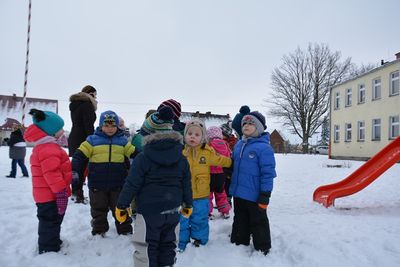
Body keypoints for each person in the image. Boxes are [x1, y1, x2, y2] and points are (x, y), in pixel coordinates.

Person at [115, 106, 193, 267]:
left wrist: (122, 205)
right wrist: (188, 203)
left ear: (149, 134)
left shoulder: (143, 158)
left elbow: (132, 183)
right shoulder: (181, 157)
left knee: (146, 246)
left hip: (148, 212)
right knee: (168, 244)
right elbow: (186, 181)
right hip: (173, 210)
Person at [71, 110, 135, 236]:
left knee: (121, 207)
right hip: (97, 184)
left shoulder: (122, 141)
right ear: (101, 126)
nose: (110, 129)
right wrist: (76, 165)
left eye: (113, 126)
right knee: (98, 209)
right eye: (106, 125)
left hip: (118, 183)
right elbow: (79, 156)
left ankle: (125, 229)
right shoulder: (92, 140)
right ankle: (99, 230)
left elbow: (134, 153)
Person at [178, 118, 231, 251]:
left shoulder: (207, 152)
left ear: (203, 137)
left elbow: (220, 160)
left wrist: (231, 163)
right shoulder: (181, 153)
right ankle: (182, 241)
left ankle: (199, 239)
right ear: (185, 135)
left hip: (202, 196)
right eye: (190, 134)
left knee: (200, 219)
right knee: (183, 220)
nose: (193, 137)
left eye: (197, 134)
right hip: (184, 196)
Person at [23, 109, 72, 254]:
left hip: (46, 195)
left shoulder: (46, 146)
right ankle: (48, 248)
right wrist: (60, 192)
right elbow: (51, 173)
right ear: (50, 131)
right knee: (50, 221)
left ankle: (51, 241)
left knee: (51, 221)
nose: (62, 131)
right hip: (51, 195)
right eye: (60, 129)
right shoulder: (48, 148)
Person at [229, 111, 276, 255]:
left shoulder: (264, 148)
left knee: (258, 220)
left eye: (251, 123)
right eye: (244, 123)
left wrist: (265, 194)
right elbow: (233, 165)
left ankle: (262, 246)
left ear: (260, 128)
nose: (246, 126)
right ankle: (239, 240)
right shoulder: (238, 145)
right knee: (240, 217)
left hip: (255, 195)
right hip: (239, 192)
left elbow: (268, 174)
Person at [68, 85, 98, 203]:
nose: (96, 97)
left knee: (76, 169)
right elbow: (88, 125)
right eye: (95, 94)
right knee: (81, 169)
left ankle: (75, 192)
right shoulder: (87, 105)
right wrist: (92, 140)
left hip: (74, 138)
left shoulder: (75, 104)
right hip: (83, 139)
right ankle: (78, 194)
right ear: (90, 94)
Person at [206, 126, 231, 219]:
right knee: (221, 192)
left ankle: (208, 212)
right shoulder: (225, 144)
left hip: (210, 173)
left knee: (208, 194)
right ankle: (225, 211)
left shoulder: (208, 145)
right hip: (221, 174)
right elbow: (228, 158)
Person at [220, 121, 238, 206]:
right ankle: (223, 201)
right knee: (223, 185)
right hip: (222, 166)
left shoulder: (232, 142)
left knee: (228, 184)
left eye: (221, 133)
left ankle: (228, 201)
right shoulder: (220, 141)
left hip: (230, 167)